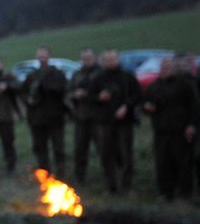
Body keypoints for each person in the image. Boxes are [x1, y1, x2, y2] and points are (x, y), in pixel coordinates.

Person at [143, 57, 200, 200]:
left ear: (174, 69)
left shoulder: (184, 86)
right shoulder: (154, 86)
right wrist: (147, 107)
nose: (165, 69)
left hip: (181, 131)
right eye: (163, 67)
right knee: (163, 163)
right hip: (161, 132)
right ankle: (165, 192)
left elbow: (194, 107)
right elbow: (144, 103)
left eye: (168, 67)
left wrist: (192, 125)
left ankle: (185, 192)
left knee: (183, 163)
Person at [88, 49, 142, 194]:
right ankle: (111, 186)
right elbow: (89, 97)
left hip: (124, 122)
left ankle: (126, 186)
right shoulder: (98, 78)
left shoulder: (127, 77)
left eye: (113, 59)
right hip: (105, 123)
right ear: (103, 61)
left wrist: (126, 106)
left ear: (118, 60)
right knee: (107, 154)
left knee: (125, 155)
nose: (110, 62)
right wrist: (99, 97)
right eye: (107, 60)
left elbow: (138, 95)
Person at [22, 47, 68, 177]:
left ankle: (61, 172)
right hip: (37, 118)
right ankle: (45, 174)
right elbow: (24, 92)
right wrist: (29, 99)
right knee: (40, 147)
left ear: (49, 57)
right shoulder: (32, 76)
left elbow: (62, 90)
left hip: (55, 117)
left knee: (58, 147)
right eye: (40, 56)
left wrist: (45, 87)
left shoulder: (57, 74)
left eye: (44, 56)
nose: (42, 58)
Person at [66, 48, 102, 184]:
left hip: (99, 118)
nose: (86, 61)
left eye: (89, 58)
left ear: (95, 58)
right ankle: (80, 178)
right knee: (80, 149)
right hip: (81, 117)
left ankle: (111, 177)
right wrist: (74, 95)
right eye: (84, 59)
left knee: (104, 149)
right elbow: (68, 92)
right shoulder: (77, 74)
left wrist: (87, 94)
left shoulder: (101, 73)